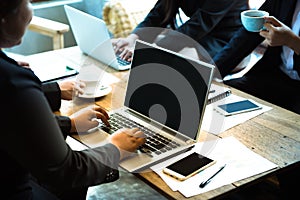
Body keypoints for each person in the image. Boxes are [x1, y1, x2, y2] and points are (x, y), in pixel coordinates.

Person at [0, 1, 146, 200]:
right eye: (26, 1)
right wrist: (115, 149)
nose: (30, 8)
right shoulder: (13, 82)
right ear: (3, 19)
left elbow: (11, 121)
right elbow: (66, 171)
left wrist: (68, 123)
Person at [213, 0, 300, 198]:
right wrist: (213, 71)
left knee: (292, 144)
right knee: (223, 96)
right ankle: (245, 184)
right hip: (277, 77)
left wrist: (293, 42)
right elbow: (246, 36)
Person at [112, 0, 249, 61]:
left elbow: (199, 24)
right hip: (197, 34)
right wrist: (133, 38)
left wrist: (151, 48)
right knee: (120, 47)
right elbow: (159, 12)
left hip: (227, 40)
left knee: (174, 61)